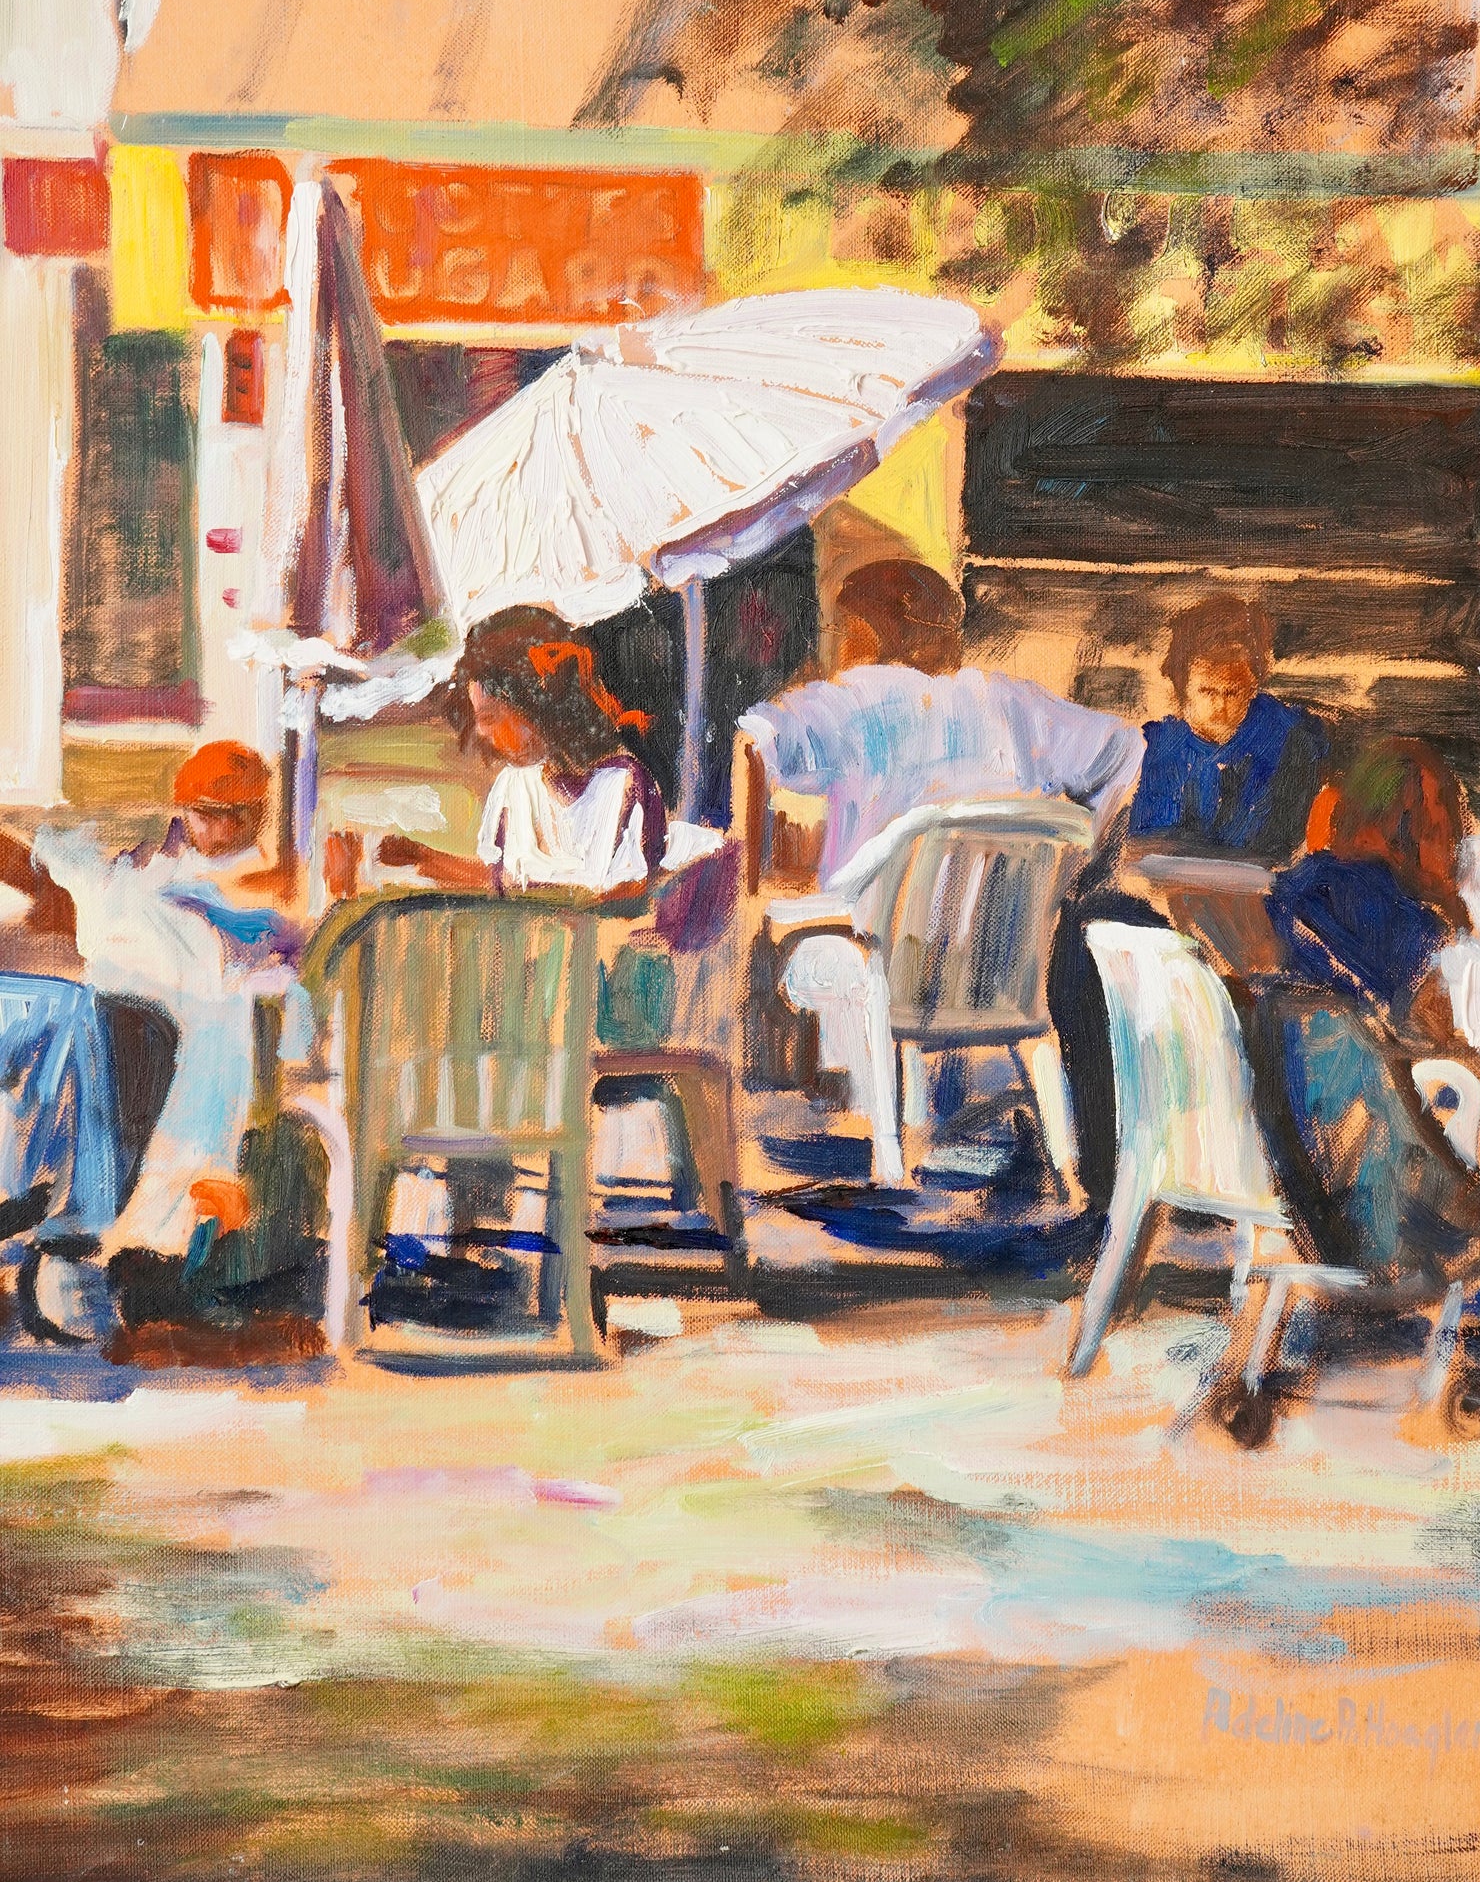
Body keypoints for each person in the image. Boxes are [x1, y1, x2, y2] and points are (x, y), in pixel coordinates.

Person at [736, 559, 1142, 1152]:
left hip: (882, 966)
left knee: (788, 947)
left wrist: (750, 880)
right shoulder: (1010, 703)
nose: (836, 643)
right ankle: (1027, 1145)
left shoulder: (850, 700)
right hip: (1000, 972)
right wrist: (1075, 866)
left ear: (870, 629)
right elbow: (1126, 751)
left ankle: (866, 1122)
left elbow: (754, 743)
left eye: (841, 627)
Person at [1247, 737, 1480, 1289]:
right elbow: (1439, 1040)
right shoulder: (1404, 922)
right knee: (1479, 1077)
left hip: (1304, 1179)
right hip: (1386, 1206)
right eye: (1448, 825)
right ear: (1421, 830)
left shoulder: (1288, 894)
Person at [0, 742, 308, 1329]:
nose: (219, 828)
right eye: (205, 813)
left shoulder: (255, 877)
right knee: (83, 1017)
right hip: (129, 995)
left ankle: (132, 1243)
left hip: (170, 1000)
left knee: (186, 1030)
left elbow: (272, 922)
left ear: (256, 815)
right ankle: (85, 1235)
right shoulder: (154, 865)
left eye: (234, 815)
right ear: (184, 811)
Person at [373, 610, 666, 897]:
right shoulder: (515, 784)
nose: (481, 732)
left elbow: (627, 894)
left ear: (534, 706)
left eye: (489, 717)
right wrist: (421, 858)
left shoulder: (620, 783)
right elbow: (500, 882)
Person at [1127, 592, 1328, 861]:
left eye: (1232, 692)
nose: (1220, 706)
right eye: (1207, 691)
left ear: (1253, 686)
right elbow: (1144, 840)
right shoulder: (1161, 743)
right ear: (1182, 686)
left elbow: (1278, 849)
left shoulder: (1289, 742)